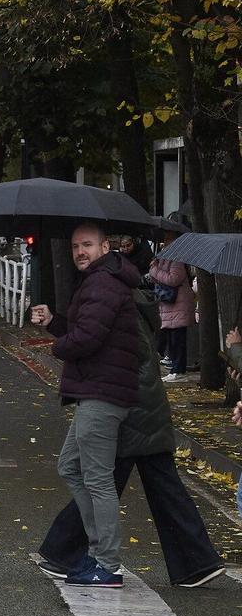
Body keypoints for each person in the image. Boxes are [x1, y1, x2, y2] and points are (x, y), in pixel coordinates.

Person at [35, 280, 226, 588]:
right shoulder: (126, 305)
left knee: (97, 480)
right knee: (155, 488)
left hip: (128, 409)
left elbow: (105, 351)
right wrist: (57, 324)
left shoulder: (121, 308)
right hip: (139, 408)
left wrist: (61, 340)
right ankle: (198, 562)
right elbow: (95, 340)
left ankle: (72, 554)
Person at [28, 223, 146, 587]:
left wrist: (56, 346)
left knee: (97, 479)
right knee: (70, 467)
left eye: (88, 245)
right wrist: (54, 324)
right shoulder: (100, 279)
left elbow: (88, 338)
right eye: (76, 246)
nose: (80, 251)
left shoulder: (103, 283)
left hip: (103, 392)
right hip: (99, 389)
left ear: (105, 246)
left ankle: (106, 562)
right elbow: (87, 329)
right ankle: (98, 552)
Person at [149, 242, 194, 382]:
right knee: (172, 338)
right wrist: (154, 269)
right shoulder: (162, 259)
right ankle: (175, 368)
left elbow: (173, 279)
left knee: (178, 339)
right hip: (169, 305)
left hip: (177, 304)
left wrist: (155, 270)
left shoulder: (176, 260)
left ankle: (179, 370)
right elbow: (158, 279)